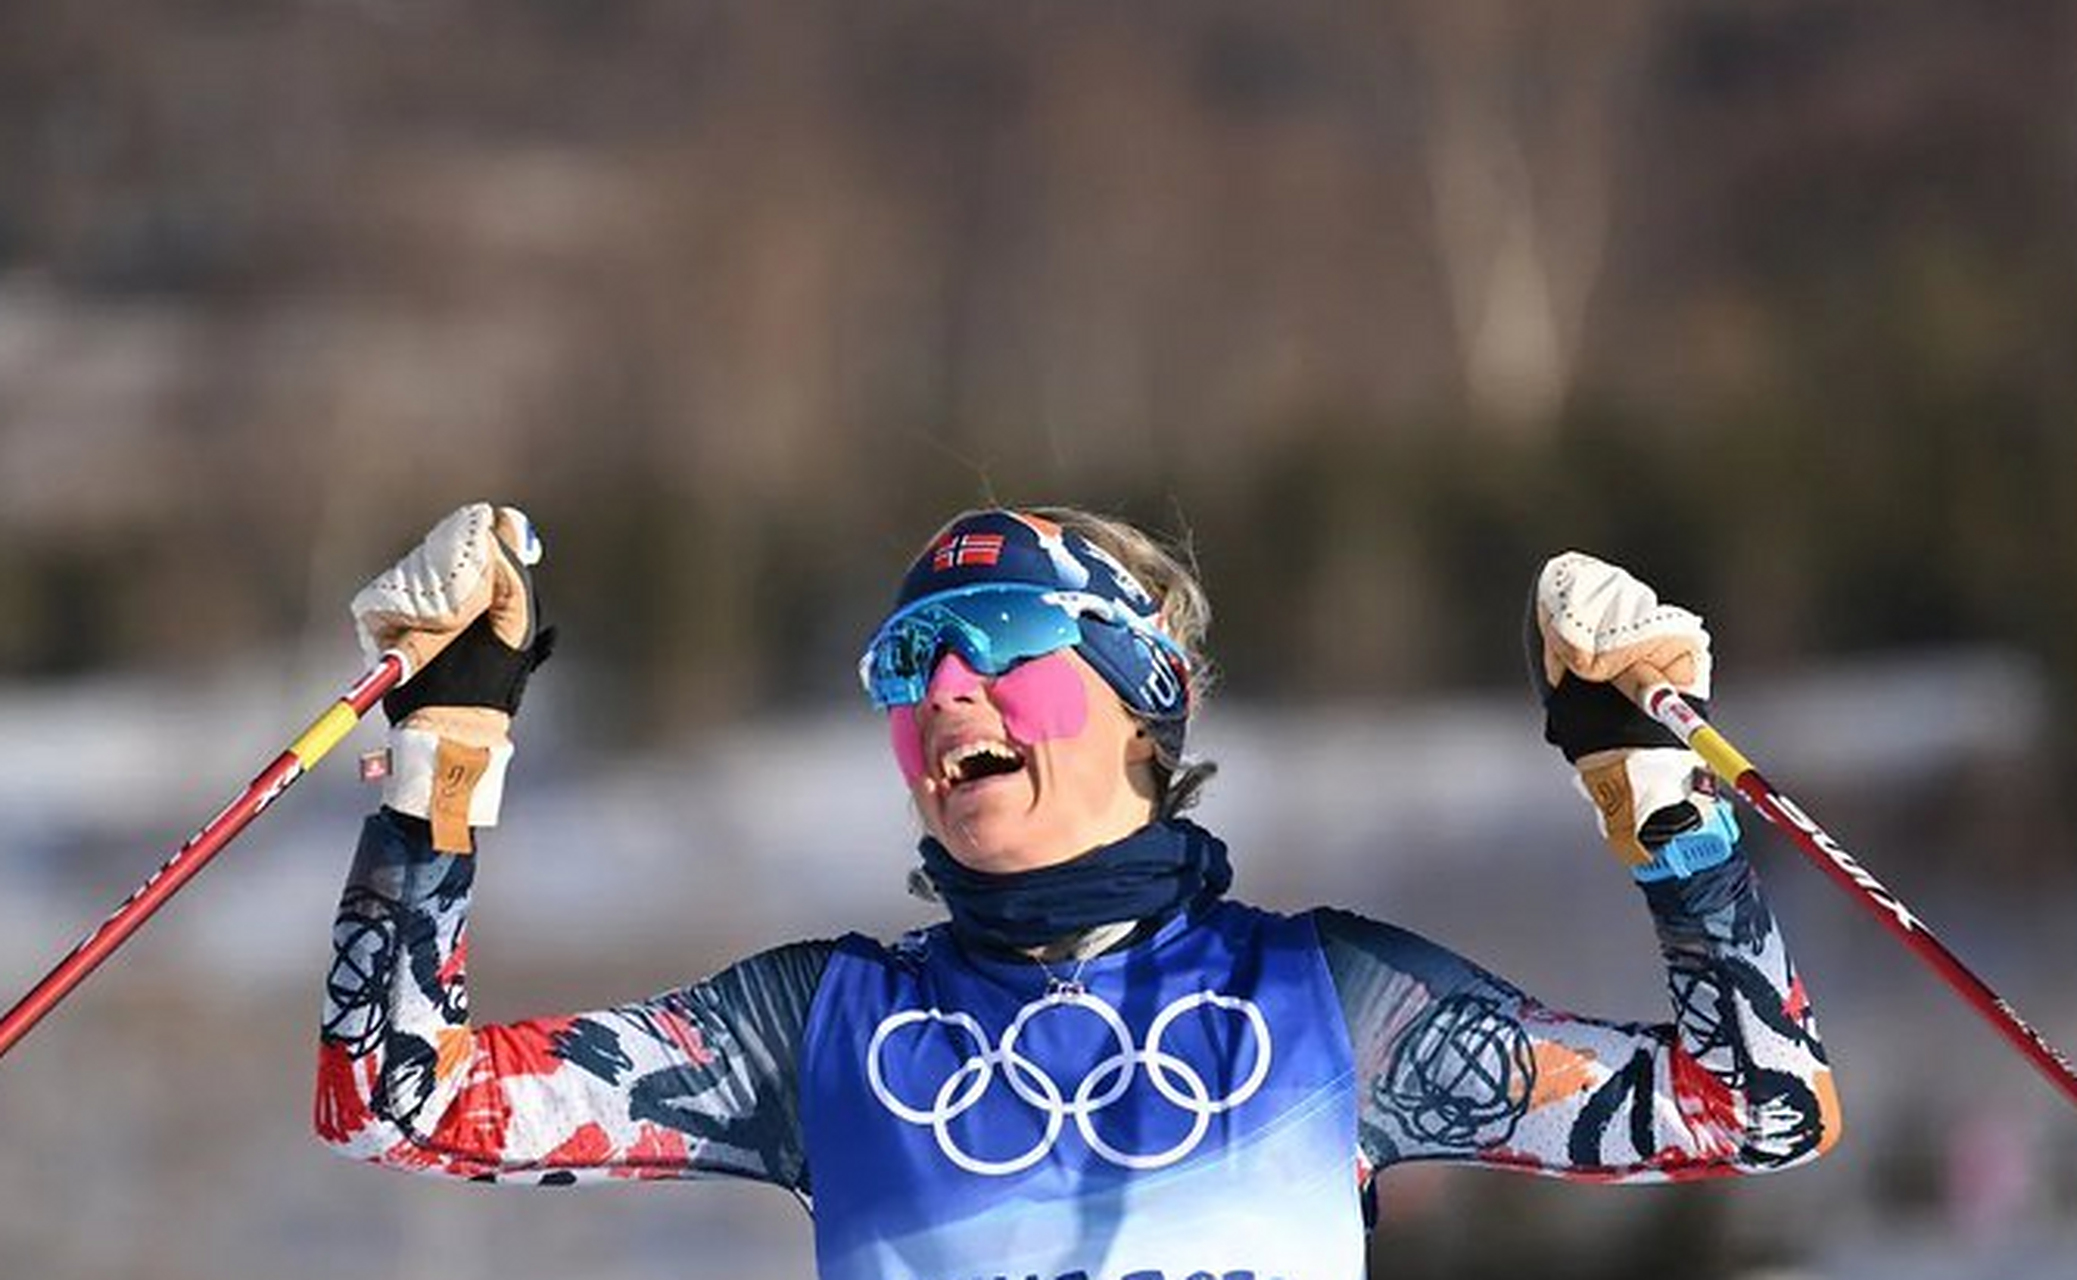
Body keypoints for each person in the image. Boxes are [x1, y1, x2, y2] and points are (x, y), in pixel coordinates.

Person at [316, 502, 1841, 1280]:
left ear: (1142, 696)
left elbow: (1757, 1106)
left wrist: (1651, 789)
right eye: (912, 662)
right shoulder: (817, 1030)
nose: (950, 691)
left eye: (1001, 641)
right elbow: (397, 1101)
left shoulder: (1331, 1001)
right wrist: (443, 752)